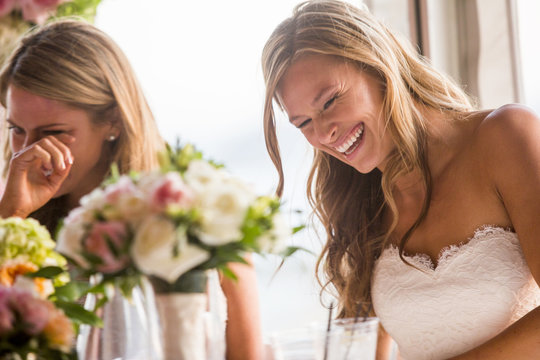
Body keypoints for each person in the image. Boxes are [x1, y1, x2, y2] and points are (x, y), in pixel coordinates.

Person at [261, 1, 540, 359]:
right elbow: (360, 349)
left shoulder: (505, 136)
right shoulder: (360, 202)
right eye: (302, 123)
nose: (324, 133)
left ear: (378, 66)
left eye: (330, 100)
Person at [0, 19, 262, 359]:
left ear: (112, 120)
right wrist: (11, 217)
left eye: (54, 132)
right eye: (17, 129)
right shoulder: (17, 221)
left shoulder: (197, 219)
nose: (29, 152)